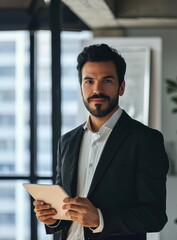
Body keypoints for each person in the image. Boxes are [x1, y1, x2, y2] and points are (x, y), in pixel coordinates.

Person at [33, 43, 169, 240]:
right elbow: (65, 208)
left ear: (121, 87)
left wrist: (100, 219)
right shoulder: (67, 142)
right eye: (89, 81)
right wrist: (52, 218)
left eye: (106, 80)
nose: (97, 90)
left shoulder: (146, 140)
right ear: (81, 88)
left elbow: (155, 216)